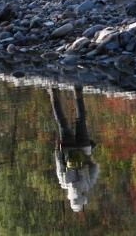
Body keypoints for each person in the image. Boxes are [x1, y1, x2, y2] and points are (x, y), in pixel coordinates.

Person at [50, 85, 99, 213]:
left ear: (81, 198)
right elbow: (60, 165)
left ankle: (78, 92)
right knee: (61, 122)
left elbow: (95, 168)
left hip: (84, 148)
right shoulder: (64, 184)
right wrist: (57, 149)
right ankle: (53, 92)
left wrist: (89, 158)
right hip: (67, 149)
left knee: (81, 120)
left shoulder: (88, 185)